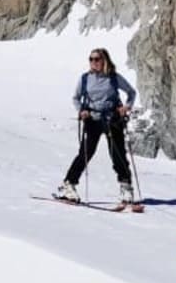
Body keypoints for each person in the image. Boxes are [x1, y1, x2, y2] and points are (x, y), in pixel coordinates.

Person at [55, 48, 136, 203]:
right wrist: (81, 111)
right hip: (92, 119)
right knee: (86, 153)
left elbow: (131, 92)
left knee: (117, 153)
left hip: (112, 118)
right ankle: (68, 185)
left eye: (97, 59)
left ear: (104, 60)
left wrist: (126, 107)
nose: (93, 62)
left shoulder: (114, 77)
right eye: (91, 59)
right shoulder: (85, 79)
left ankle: (126, 187)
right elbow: (76, 98)